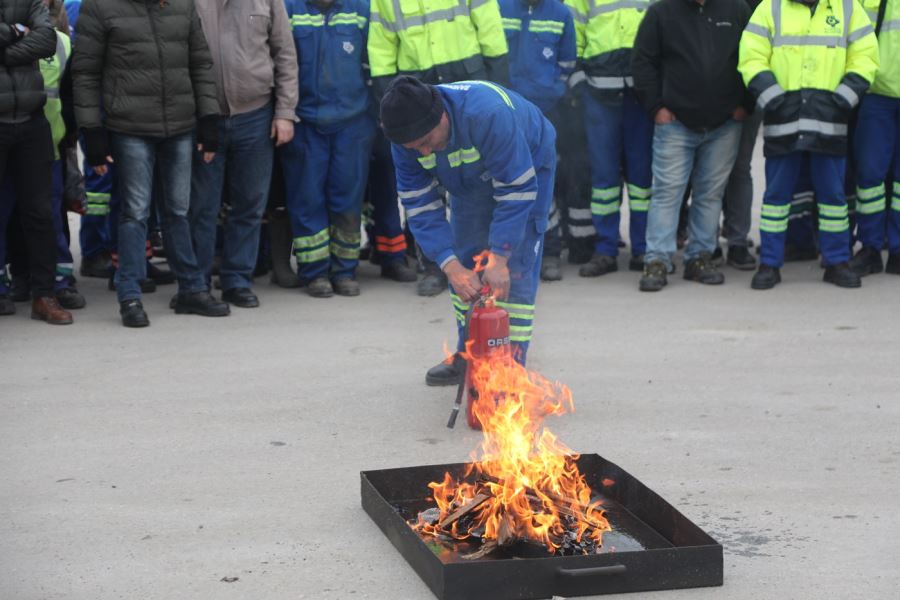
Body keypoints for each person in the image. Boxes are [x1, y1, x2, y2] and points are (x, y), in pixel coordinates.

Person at [381, 77, 555, 385]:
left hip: (526, 167)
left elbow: (515, 190)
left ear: (442, 117)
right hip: (467, 183)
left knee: (513, 272)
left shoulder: (488, 115)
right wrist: (449, 265)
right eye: (413, 148)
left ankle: (510, 371)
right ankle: (471, 358)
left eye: (425, 142)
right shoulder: (406, 141)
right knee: (466, 265)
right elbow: (420, 206)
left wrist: (500, 257)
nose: (422, 153)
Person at [73, 0, 223, 327]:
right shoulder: (99, 7)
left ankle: (192, 289)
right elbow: (85, 73)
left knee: (179, 211)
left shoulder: (182, 6)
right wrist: (92, 131)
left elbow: (200, 63)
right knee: (135, 212)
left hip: (181, 126)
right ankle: (129, 294)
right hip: (130, 128)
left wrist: (209, 118)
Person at [368, 0, 510, 296]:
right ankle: (434, 266)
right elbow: (381, 50)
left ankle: (481, 261)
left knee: (477, 181)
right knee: (422, 188)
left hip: (467, 87)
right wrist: (391, 108)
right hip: (415, 95)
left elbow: (491, 30)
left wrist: (497, 88)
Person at [739, 0, 879, 289]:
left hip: (829, 120)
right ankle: (770, 264)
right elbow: (750, 56)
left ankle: (837, 261)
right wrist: (774, 98)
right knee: (777, 199)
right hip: (784, 119)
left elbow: (866, 57)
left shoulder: (847, 8)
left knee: (833, 199)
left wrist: (842, 100)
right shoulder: (770, 7)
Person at [632, 0, 751, 291]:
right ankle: (657, 260)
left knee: (710, 194)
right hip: (674, 123)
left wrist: (745, 105)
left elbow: (754, 55)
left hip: (725, 124)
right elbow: (643, 61)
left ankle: (699, 257)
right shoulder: (662, 12)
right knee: (666, 193)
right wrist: (655, 108)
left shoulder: (736, 9)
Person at [189, 0, 298, 308]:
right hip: (205, 118)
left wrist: (285, 113)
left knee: (249, 205)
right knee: (202, 207)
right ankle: (196, 284)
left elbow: (285, 55)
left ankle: (237, 280)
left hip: (256, 115)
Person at [279, 0, 376, 298]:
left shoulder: (361, 8)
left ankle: (345, 270)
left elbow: (375, 59)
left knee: (347, 199)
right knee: (307, 200)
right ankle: (315, 273)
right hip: (305, 121)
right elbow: (281, 61)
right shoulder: (289, 8)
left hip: (353, 122)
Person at [566, 0, 653, 277]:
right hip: (599, 98)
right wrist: (579, 87)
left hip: (640, 97)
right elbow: (571, 39)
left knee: (642, 179)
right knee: (603, 180)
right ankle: (606, 249)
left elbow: (663, 33)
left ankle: (642, 248)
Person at [0, 0, 72, 324]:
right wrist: (18, 33)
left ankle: (44, 295)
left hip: (32, 122)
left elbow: (47, 40)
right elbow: (34, 41)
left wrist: (5, 51)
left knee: (41, 213)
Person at [499, 0, 576, 281]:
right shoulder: (498, 7)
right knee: (506, 183)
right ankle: (506, 255)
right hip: (504, 111)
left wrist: (552, 90)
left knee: (544, 183)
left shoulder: (560, 13)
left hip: (545, 111)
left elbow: (567, 63)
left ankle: (550, 252)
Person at [850, 0, 900, 276]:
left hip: (878, 100)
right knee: (869, 177)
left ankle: (898, 249)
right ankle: (870, 248)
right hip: (876, 95)